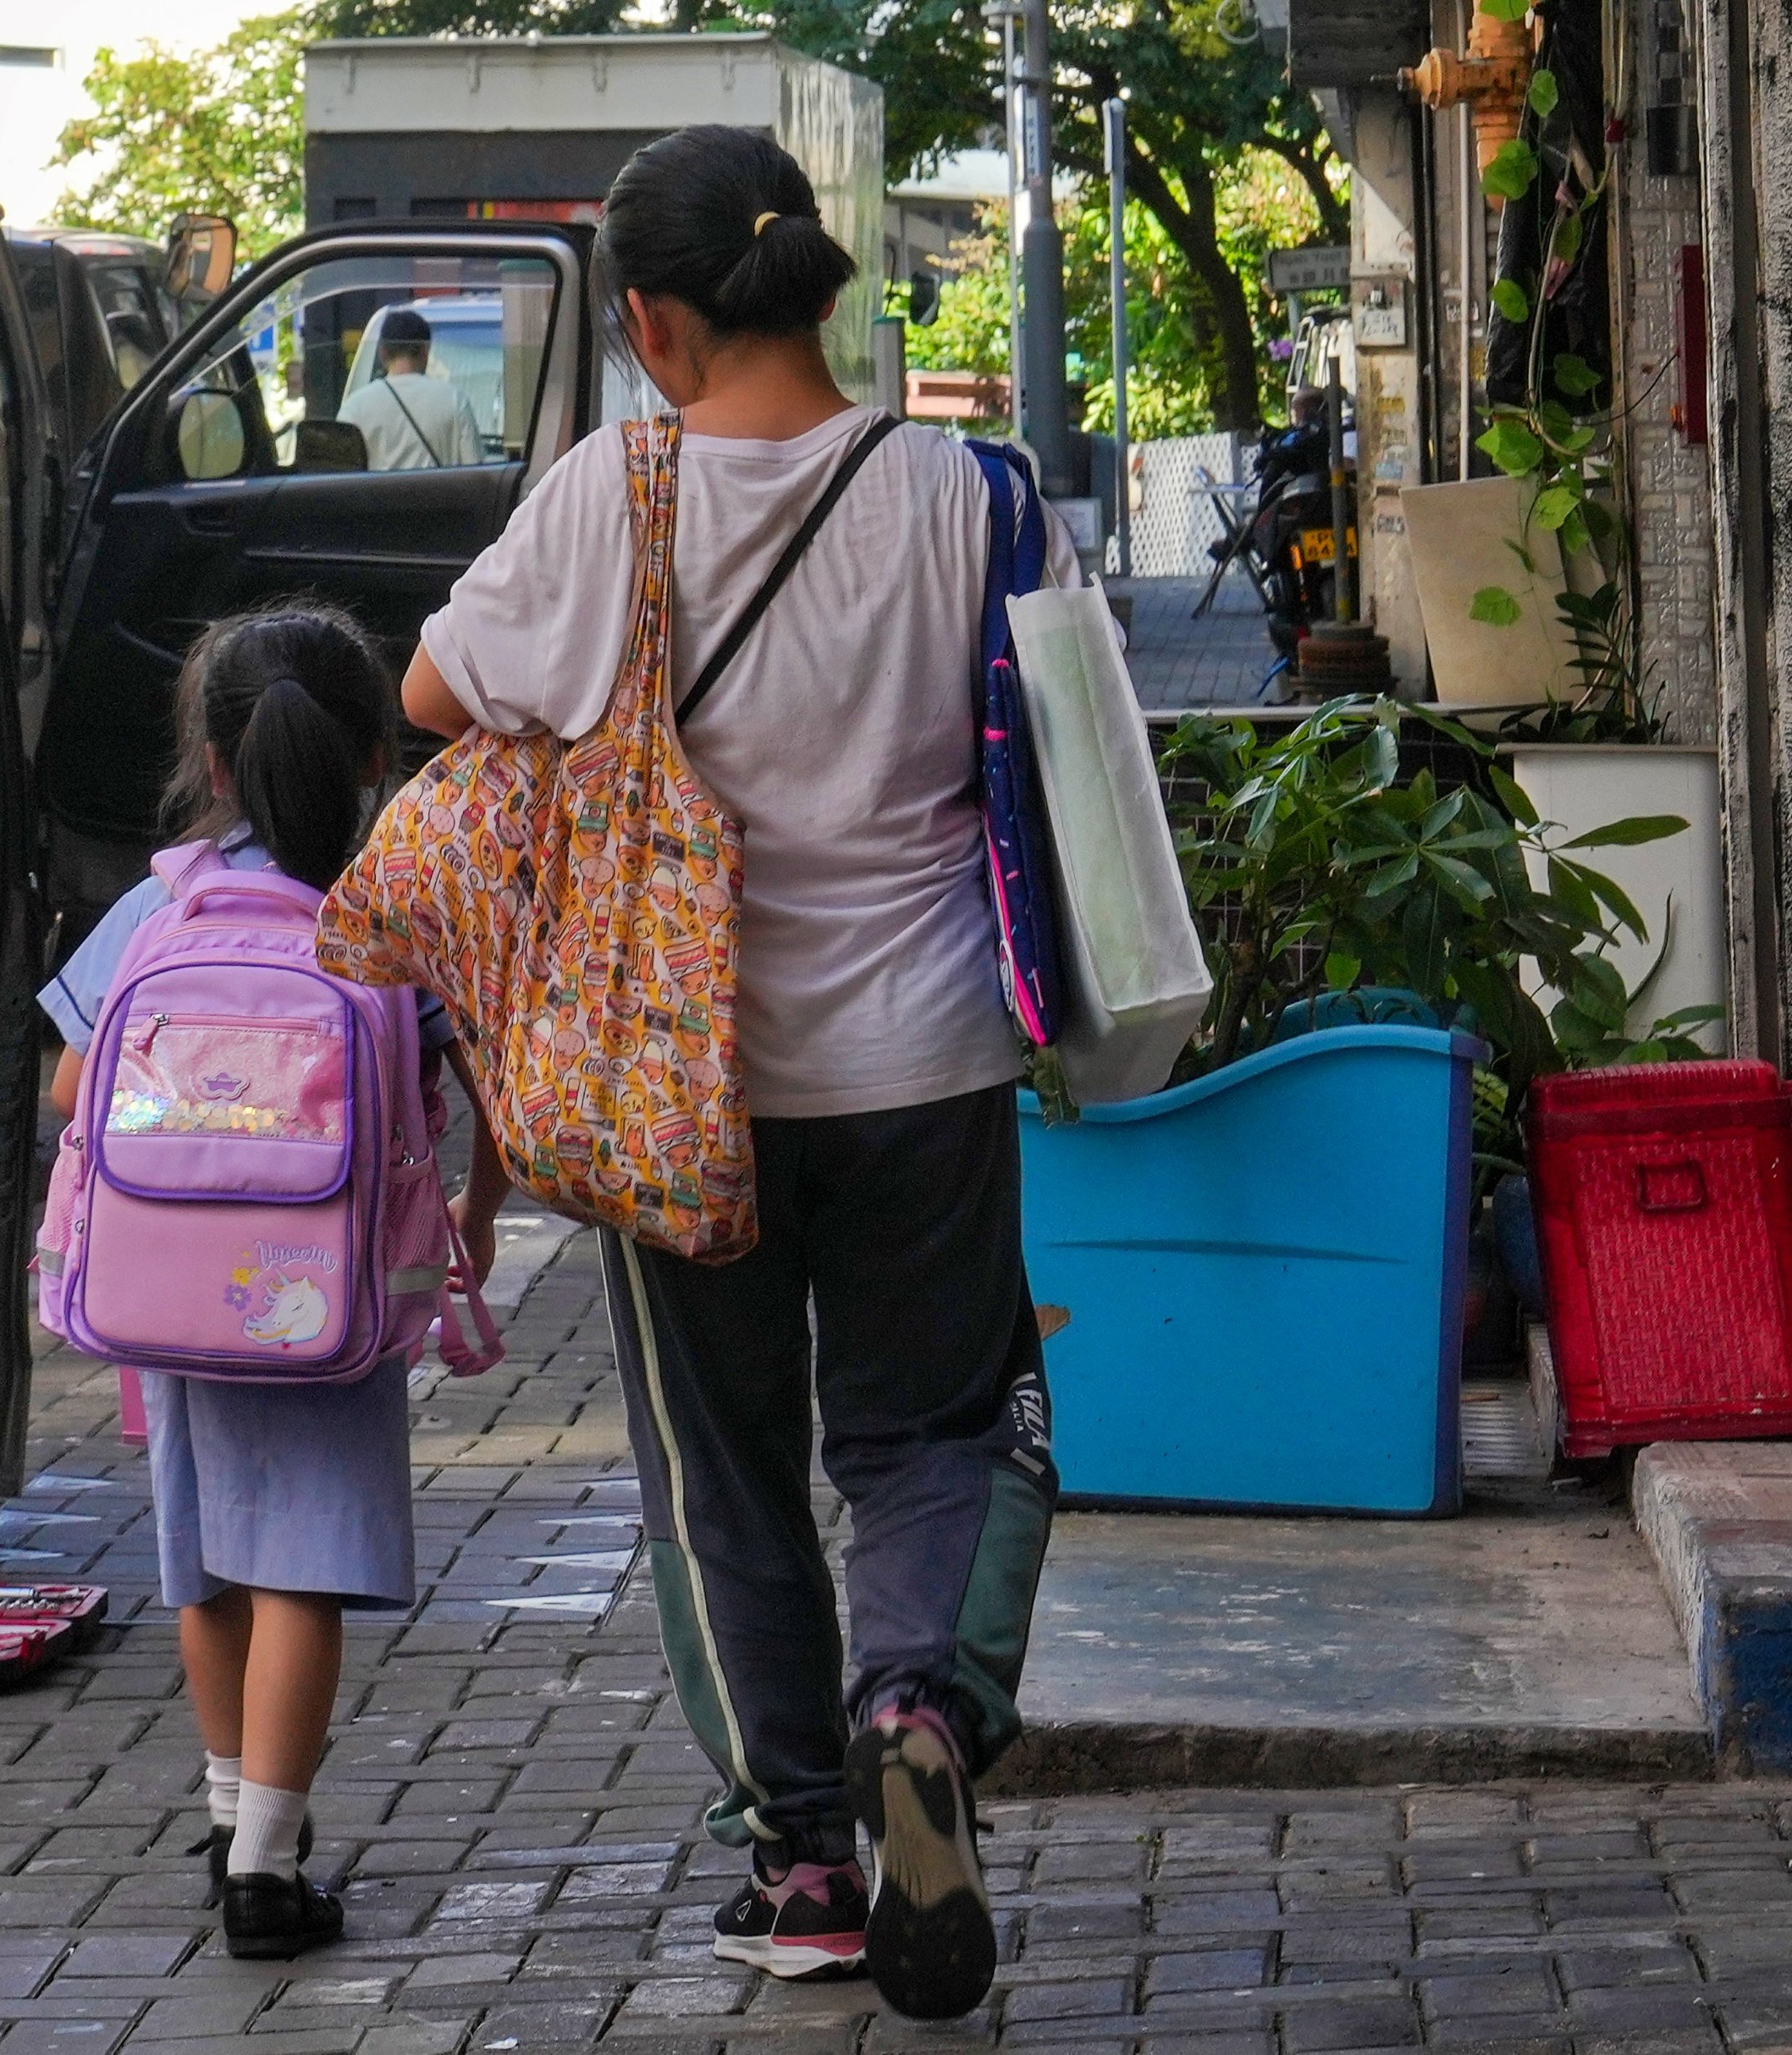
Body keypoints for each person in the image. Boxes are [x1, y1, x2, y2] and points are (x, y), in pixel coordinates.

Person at [398, 124, 1075, 2023]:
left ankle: (799, 1852)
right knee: (937, 1428)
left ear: (650, 322)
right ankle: (913, 1702)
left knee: (728, 1466)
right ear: (825, 280)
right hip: (927, 1055)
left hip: (669, 1075)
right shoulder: (973, 489)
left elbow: (431, 701)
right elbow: (1071, 748)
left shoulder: (608, 491)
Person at [41, 605, 507, 1963]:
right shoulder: (388, 903)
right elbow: (481, 1090)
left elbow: (74, 1084)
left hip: (164, 1298)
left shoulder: (160, 900)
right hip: (325, 1294)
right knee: (300, 1566)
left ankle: (226, 1813)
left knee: (206, 1569)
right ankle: (266, 1866)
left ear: (210, 757)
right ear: (374, 756)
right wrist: (472, 1213)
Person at [335, 309, 485, 471]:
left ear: (382, 352)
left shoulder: (355, 407)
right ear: (425, 351)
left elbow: (341, 474)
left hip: (378, 497)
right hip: (441, 496)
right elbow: (476, 471)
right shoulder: (455, 400)